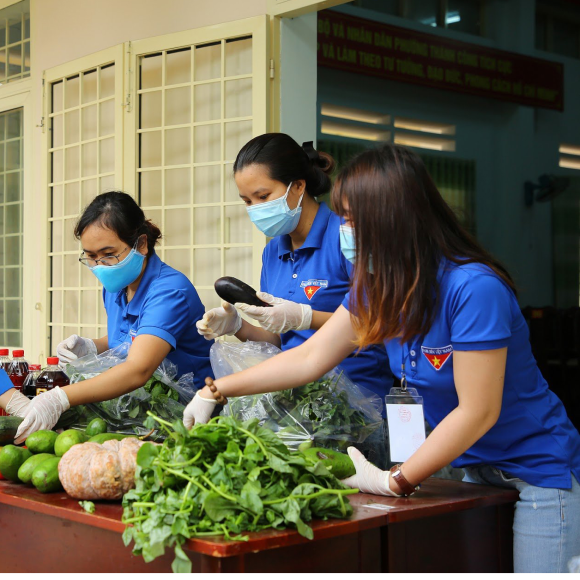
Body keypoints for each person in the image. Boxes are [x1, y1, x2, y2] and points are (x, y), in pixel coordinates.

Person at [184, 144, 580, 573]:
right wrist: (216, 390)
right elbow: (310, 357)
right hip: (470, 469)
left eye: (354, 220)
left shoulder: (473, 288)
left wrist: (397, 479)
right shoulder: (380, 287)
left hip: (538, 475)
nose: (345, 231)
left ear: (397, 218)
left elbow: (478, 411)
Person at [2, 191, 213, 443]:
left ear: (141, 244)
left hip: (182, 416)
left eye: (109, 253)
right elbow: (128, 339)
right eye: (91, 256)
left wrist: (60, 398)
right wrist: (92, 346)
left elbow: (138, 368)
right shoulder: (117, 286)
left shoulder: (169, 292)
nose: (100, 265)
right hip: (140, 412)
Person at [196, 133, 392, 402]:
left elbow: (375, 324)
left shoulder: (347, 238)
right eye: (247, 201)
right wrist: (238, 327)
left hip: (357, 399)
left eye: (263, 196)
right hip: (297, 395)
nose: (255, 209)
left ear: (298, 186)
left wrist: (305, 316)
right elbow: (279, 340)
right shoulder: (273, 251)